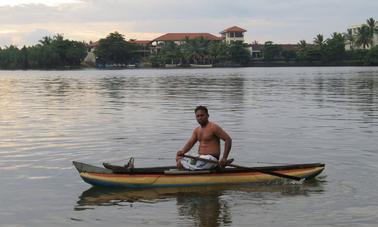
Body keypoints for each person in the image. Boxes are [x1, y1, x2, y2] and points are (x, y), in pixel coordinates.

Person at [176, 106, 232, 170]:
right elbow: (190, 143)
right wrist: (182, 152)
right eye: (198, 116)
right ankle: (189, 171)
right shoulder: (197, 130)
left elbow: (228, 140)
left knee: (180, 163)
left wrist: (224, 158)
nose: (200, 118)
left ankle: (215, 166)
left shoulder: (213, 127)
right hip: (200, 158)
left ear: (207, 115)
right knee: (179, 158)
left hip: (210, 160)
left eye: (202, 115)